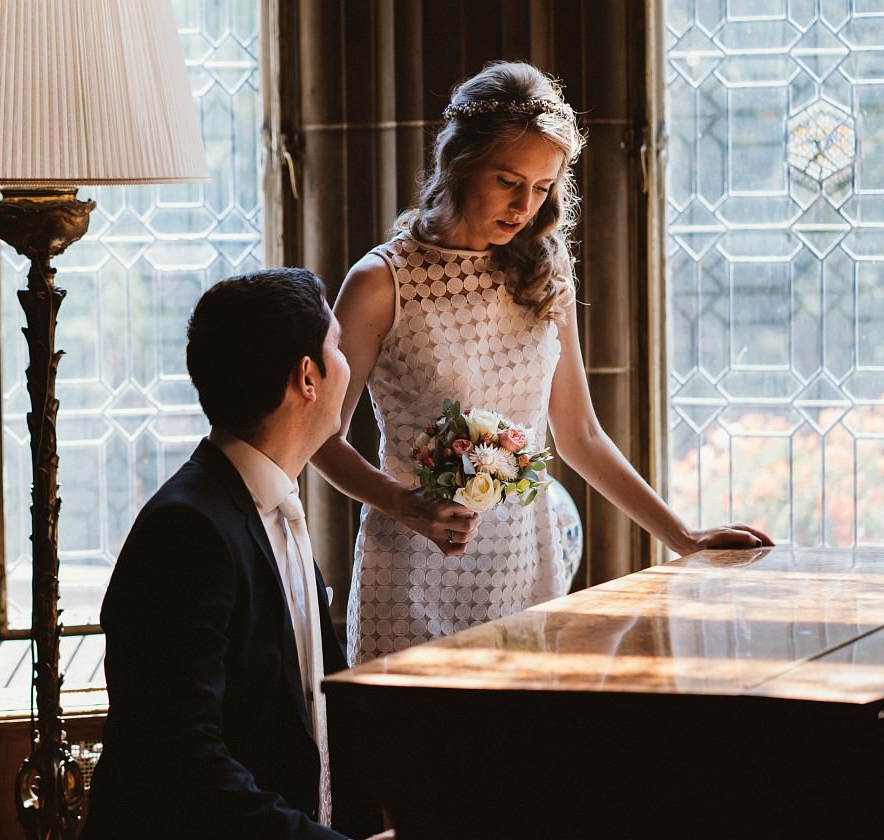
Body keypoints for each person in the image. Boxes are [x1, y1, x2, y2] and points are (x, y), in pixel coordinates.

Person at [310, 61, 773, 665]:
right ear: (459, 162)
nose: (525, 205)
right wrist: (404, 504)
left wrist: (682, 537)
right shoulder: (381, 281)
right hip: (412, 567)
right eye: (508, 180)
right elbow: (321, 436)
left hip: (526, 561)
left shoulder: (544, 273)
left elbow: (579, 434)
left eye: (542, 187)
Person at [83, 268, 384, 840]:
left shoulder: (270, 506)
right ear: (308, 378)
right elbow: (180, 762)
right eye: (338, 348)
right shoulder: (187, 532)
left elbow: (312, 714)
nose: (349, 367)